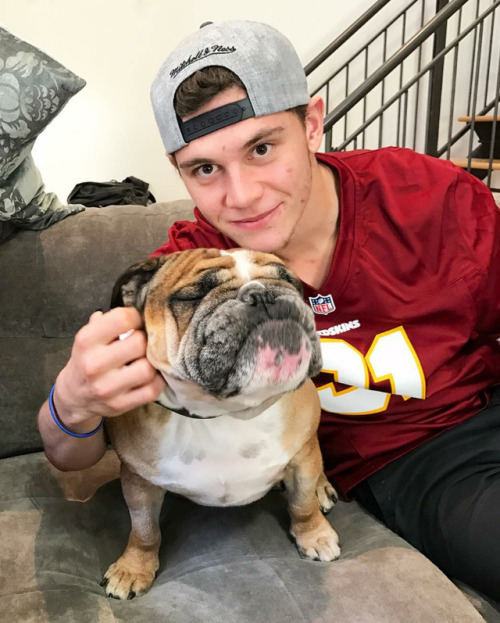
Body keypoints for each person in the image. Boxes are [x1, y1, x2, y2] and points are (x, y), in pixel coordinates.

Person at [38, 20, 500, 601]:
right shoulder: (178, 282)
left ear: (311, 124)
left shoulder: (430, 194)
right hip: (423, 461)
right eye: (204, 168)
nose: (243, 195)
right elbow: (72, 451)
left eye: (262, 148)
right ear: (177, 170)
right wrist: (73, 399)